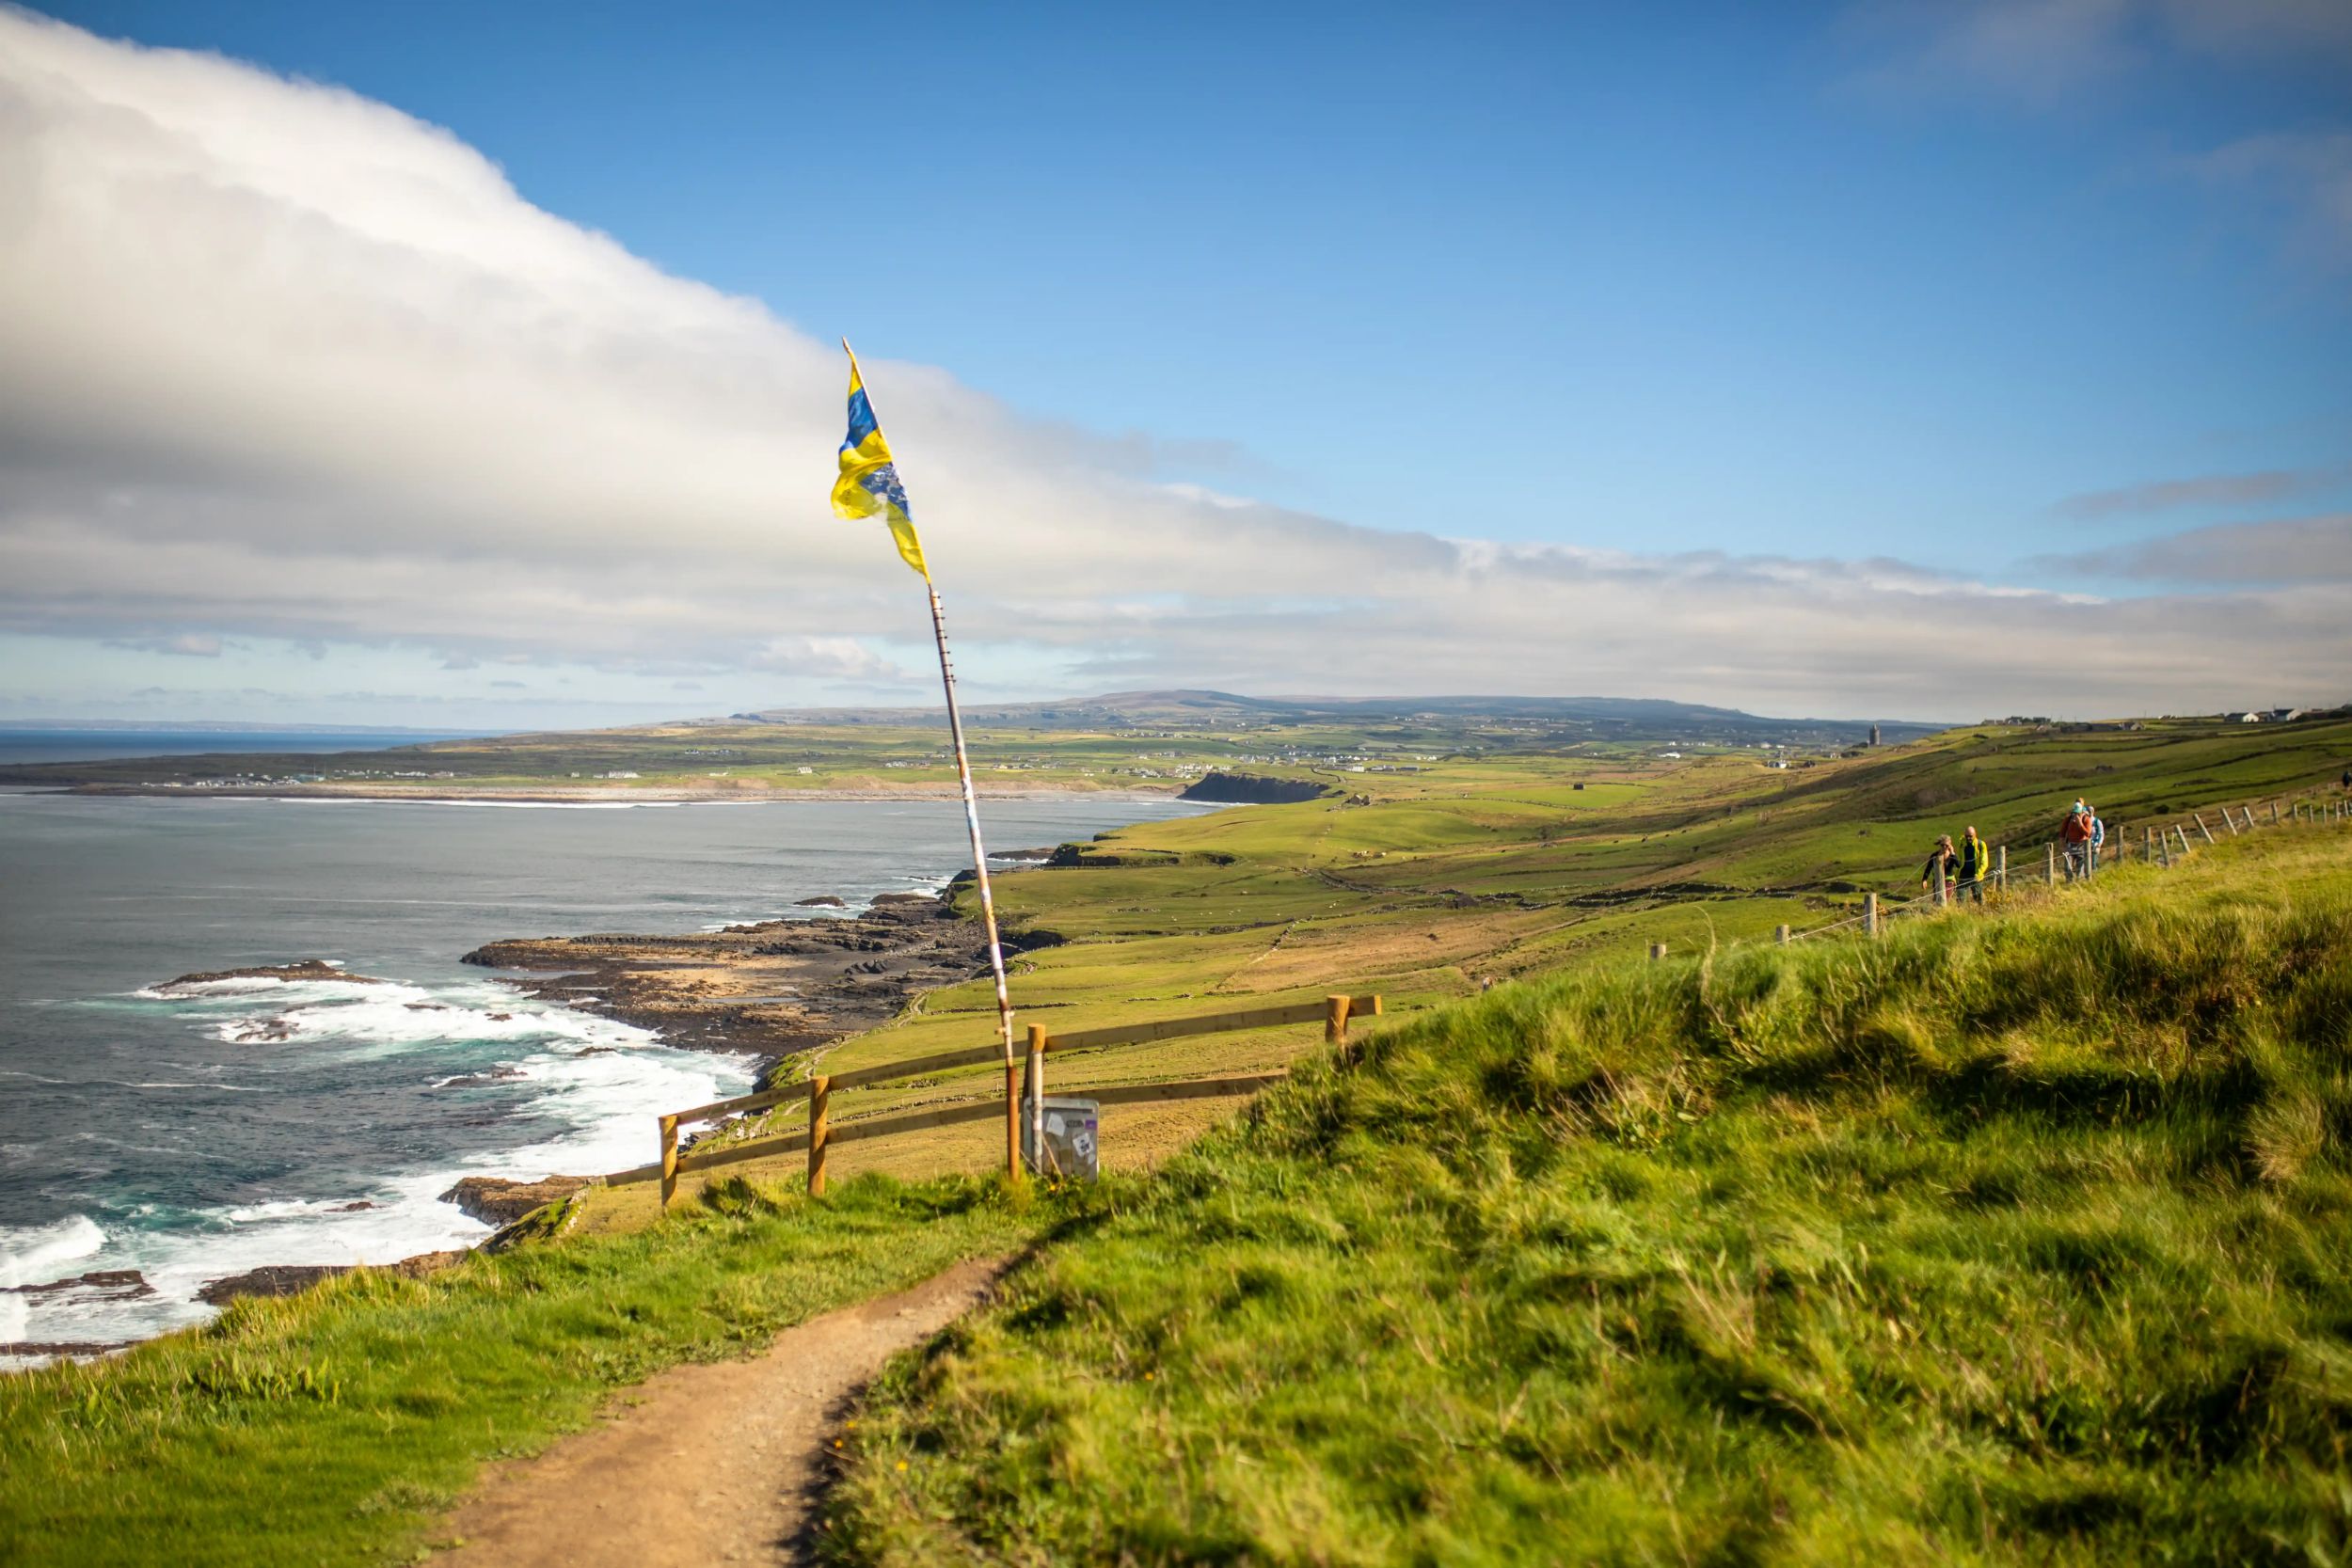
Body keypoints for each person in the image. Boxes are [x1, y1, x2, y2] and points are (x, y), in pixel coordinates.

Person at [1955, 825, 1990, 902]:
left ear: (1975, 835)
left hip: (1976, 875)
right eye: (1966, 836)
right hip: (1963, 874)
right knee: (1960, 899)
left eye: (1970, 836)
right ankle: (1960, 913)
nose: (1968, 838)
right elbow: (1960, 858)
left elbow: (1984, 862)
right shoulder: (1961, 844)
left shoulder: (1981, 845)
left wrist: (1979, 874)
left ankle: (1980, 912)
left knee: (1978, 898)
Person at [1921, 833, 1958, 900]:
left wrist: (1952, 853)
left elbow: (1958, 865)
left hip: (1949, 880)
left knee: (1946, 899)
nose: (1944, 847)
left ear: (1950, 845)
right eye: (1942, 845)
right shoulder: (1934, 856)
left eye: (1946, 845)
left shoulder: (1952, 856)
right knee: (1937, 899)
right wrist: (1924, 879)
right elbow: (1928, 868)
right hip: (1937, 880)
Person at [2061, 801, 2092, 879]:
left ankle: (2079, 883)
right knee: (2067, 867)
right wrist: (2062, 846)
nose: (2076, 815)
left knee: (2080, 868)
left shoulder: (2087, 819)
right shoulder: (2068, 819)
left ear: (2082, 812)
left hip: (2082, 846)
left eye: (2078, 813)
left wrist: (2080, 824)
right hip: (2070, 845)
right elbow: (2062, 832)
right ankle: (2069, 882)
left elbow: (2088, 834)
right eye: (2074, 813)